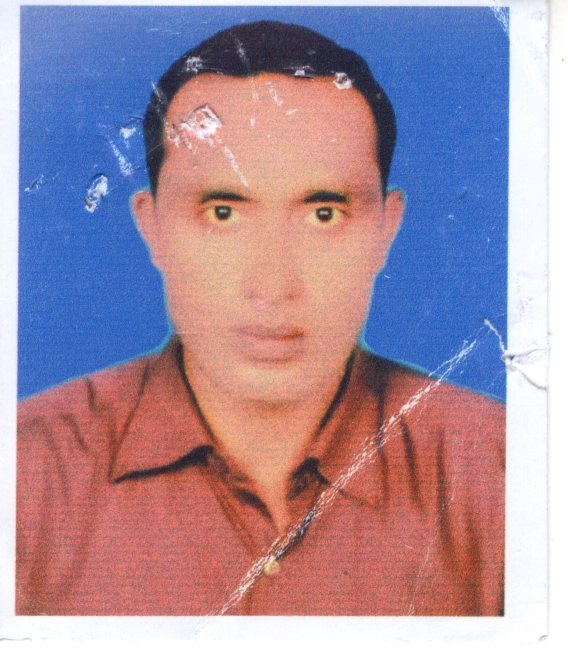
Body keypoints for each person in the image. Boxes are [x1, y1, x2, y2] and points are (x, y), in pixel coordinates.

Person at [17, 20, 504, 616]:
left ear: (387, 228)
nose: (272, 286)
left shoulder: (508, 474)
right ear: (152, 227)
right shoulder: (25, 476)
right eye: (223, 212)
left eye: (324, 214)